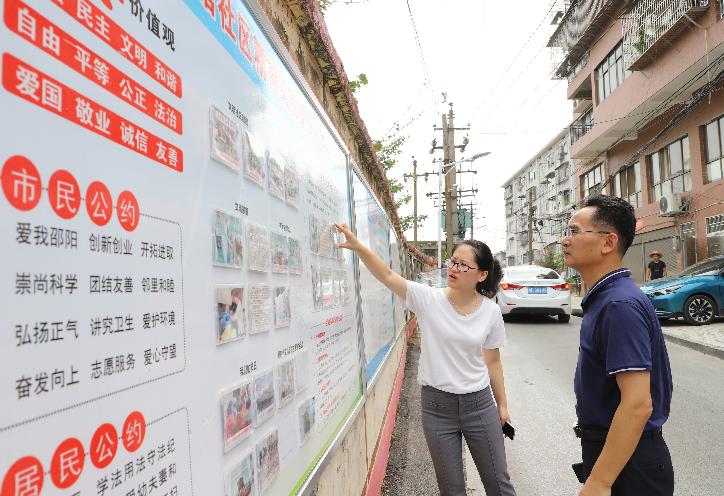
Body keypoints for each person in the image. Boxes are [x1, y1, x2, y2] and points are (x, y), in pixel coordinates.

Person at [335, 223, 516, 496]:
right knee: (451, 490)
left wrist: (502, 405)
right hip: (436, 407)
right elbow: (386, 275)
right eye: (453, 261)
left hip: (479, 405)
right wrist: (359, 246)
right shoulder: (427, 299)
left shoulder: (490, 313)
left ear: (482, 274)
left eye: (463, 265)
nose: (454, 268)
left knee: (499, 486)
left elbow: (492, 362)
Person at [562, 195, 673, 496]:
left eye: (574, 231)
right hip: (617, 451)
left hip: (631, 463)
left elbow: (638, 403)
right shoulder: (607, 298)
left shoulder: (618, 304)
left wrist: (600, 481)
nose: (564, 240)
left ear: (608, 242)